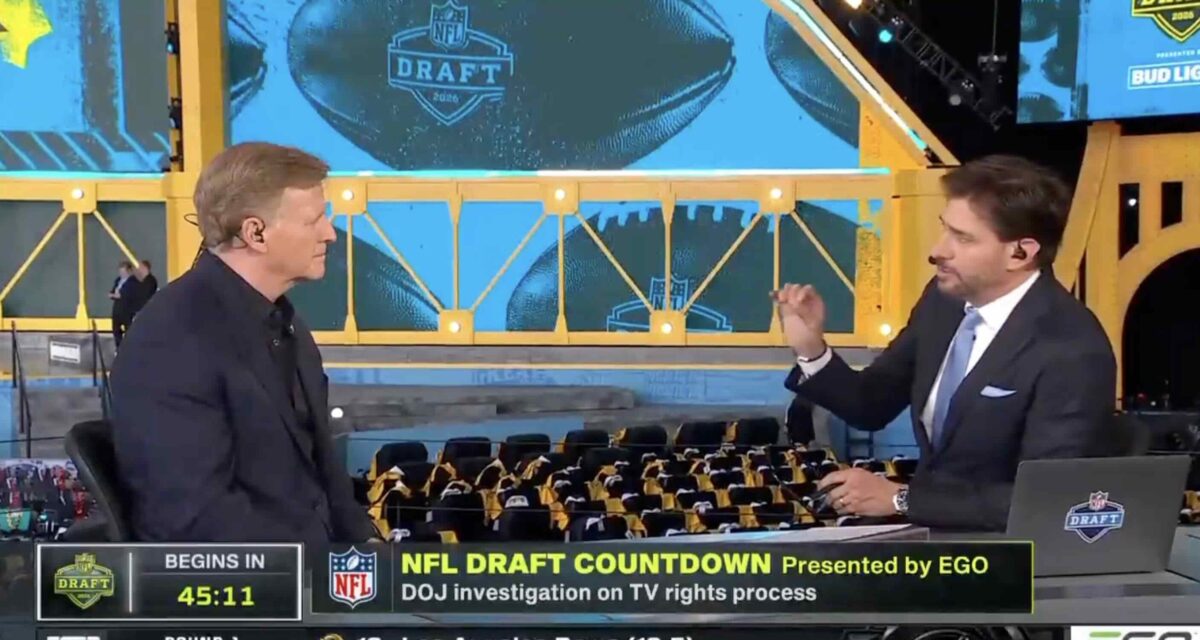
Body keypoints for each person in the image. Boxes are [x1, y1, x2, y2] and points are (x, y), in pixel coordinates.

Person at [773, 154, 1117, 531]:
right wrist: (811, 349)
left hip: (1010, 554)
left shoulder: (1072, 349)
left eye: (962, 238)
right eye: (945, 229)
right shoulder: (942, 302)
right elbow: (871, 404)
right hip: (931, 541)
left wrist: (900, 499)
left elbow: (1048, 500)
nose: (938, 251)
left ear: (1020, 252)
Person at [110, 142, 376, 545]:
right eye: (314, 220)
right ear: (256, 233)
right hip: (252, 578)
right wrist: (317, 569)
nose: (329, 234)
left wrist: (366, 548)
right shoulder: (171, 338)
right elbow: (195, 519)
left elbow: (325, 480)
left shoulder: (289, 327)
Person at [108, 261, 138, 347]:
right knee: (116, 330)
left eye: (123, 272)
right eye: (120, 272)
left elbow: (125, 295)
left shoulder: (133, 282)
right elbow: (113, 292)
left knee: (129, 330)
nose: (122, 274)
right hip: (117, 310)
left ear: (129, 271)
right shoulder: (118, 280)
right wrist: (113, 295)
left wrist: (117, 295)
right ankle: (119, 348)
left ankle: (129, 347)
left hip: (127, 310)